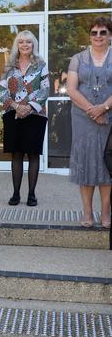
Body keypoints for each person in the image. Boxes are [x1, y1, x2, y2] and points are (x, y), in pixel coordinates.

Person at [66, 17, 112, 228]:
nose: (98, 36)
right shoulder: (78, 58)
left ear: (110, 35)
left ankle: (105, 212)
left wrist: (103, 108)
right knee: (86, 164)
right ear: (89, 36)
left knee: (106, 165)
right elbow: (71, 89)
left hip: (110, 118)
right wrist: (92, 111)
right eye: (94, 33)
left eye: (103, 32)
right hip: (83, 119)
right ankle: (87, 212)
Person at [0, 30, 50, 207]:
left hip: (35, 114)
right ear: (17, 45)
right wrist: (16, 106)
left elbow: (45, 89)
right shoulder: (9, 66)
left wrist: (28, 107)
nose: (25, 45)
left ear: (33, 44)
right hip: (13, 114)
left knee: (33, 154)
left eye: (28, 42)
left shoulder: (41, 65)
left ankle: (32, 194)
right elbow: (2, 91)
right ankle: (15, 194)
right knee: (17, 154)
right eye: (21, 42)